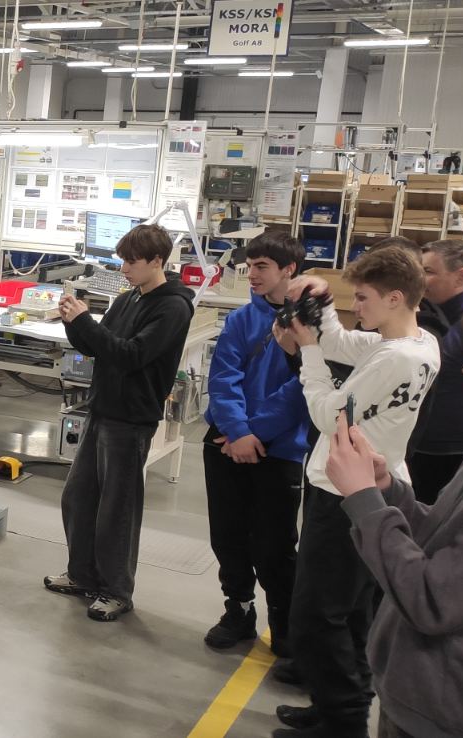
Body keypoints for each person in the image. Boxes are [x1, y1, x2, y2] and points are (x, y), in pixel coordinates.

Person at [325, 283, 463, 738]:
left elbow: (433, 600)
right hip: (421, 695)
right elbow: (441, 535)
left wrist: (364, 501)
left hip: (454, 714)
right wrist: (386, 490)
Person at [275, 247, 441, 738]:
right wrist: (323, 305)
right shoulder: (418, 342)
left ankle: (343, 722)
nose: (358, 307)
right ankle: (337, 705)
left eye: (363, 298)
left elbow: (329, 415)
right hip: (365, 485)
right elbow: (346, 344)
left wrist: (307, 350)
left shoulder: (396, 357)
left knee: (316, 616)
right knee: (349, 613)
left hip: (345, 494)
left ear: (394, 298)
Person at [43, 223, 195, 622]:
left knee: (117, 510)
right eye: (123, 261)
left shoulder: (173, 307)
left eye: (132, 262)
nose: (124, 269)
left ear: (157, 261)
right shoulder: (129, 298)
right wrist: (73, 321)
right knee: (79, 497)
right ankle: (82, 575)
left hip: (131, 419)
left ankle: (116, 590)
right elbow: (99, 346)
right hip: (102, 408)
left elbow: (131, 355)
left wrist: (86, 322)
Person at [201, 230, 311, 654]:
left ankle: (286, 625)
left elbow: (303, 388)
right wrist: (237, 430)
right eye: (249, 266)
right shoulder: (241, 320)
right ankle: (239, 610)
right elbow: (223, 378)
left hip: (277, 448)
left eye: (262, 267)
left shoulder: (312, 325)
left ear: (289, 269)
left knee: (274, 545)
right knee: (228, 536)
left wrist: (254, 433)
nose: (252, 275)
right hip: (227, 441)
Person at [406, 239, 463, 504]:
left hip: (451, 452)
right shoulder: (421, 315)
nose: (420, 279)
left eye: (428, 271)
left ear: (461, 276)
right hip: (415, 444)